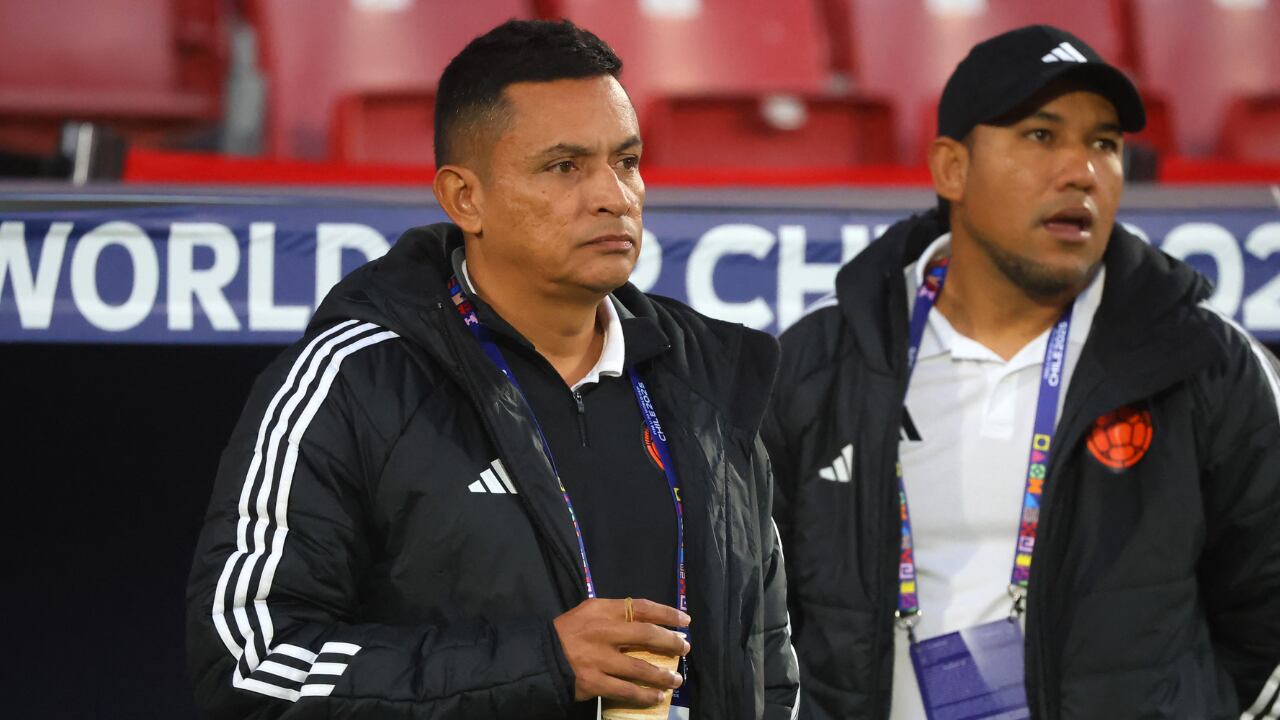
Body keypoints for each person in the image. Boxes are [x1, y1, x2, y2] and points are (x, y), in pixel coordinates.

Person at [187, 19, 799, 719]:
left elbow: (768, 666)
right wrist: (541, 664)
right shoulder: (354, 382)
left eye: (626, 161)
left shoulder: (709, 382)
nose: (614, 196)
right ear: (464, 199)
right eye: (564, 166)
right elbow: (248, 669)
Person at [764, 24, 1280, 720]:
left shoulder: (1206, 361)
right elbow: (752, 613)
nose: (1082, 171)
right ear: (952, 168)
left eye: (1104, 143)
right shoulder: (819, 363)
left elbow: (1266, 613)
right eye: (1042, 136)